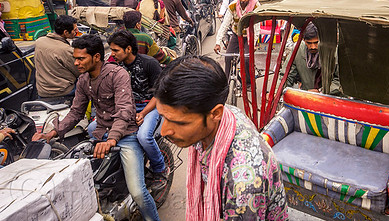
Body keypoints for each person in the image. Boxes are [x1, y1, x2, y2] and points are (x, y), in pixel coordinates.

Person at [32, 34, 160, 221]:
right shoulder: (83, 80)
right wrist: (52, 133)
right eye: (75, 58)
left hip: (126, 135)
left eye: (81, 58)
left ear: (97, 57)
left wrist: (111, 139)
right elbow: (76, 112)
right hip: (101, 134)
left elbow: (125, 110)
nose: (76, 63)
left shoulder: (118, 74)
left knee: (138, 193)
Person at [154, 56, 288, 220]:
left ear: (215, 113)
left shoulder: (243, 183)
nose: (164, 131)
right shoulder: (224, 115)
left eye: (179, 123)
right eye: (163, 117)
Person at [105, 30, 168, 191]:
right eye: (111, 50)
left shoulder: (149, 63)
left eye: (115, 50)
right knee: (93, 129)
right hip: (125, 108)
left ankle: (160, 169)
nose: (112, 54)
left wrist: (143, 113)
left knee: (144, 136)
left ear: (128, 49)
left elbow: (158, 95)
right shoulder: (114, 66)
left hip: (149, 107)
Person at [214, 0, 260, 81]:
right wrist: (218, 42)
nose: (243, 0)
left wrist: (254, 43)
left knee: (246, 60)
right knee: (228, 58)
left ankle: (248, 83)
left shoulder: (256, 6)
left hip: (249, 36)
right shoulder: (233, 6)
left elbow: (256, 26)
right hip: (237, 34)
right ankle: (226, 83)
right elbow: (224, 25)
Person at [284, 23, 340, 94]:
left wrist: (321, 92)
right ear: (303, 40)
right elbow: (287, 75)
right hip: (307, 96)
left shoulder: (333, 50)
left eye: (316, 42)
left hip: (331, 98)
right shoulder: (298, 49)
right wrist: (277, 92)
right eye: (309, 43)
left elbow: (340, 80)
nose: (313, 47)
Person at [34, 15, 80, 98]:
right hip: (63, 91)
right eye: (74, 29)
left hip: (42, 90)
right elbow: (79, 71)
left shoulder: (39, 42)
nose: (77, 31)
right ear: (66, 32)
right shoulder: (66, 50)